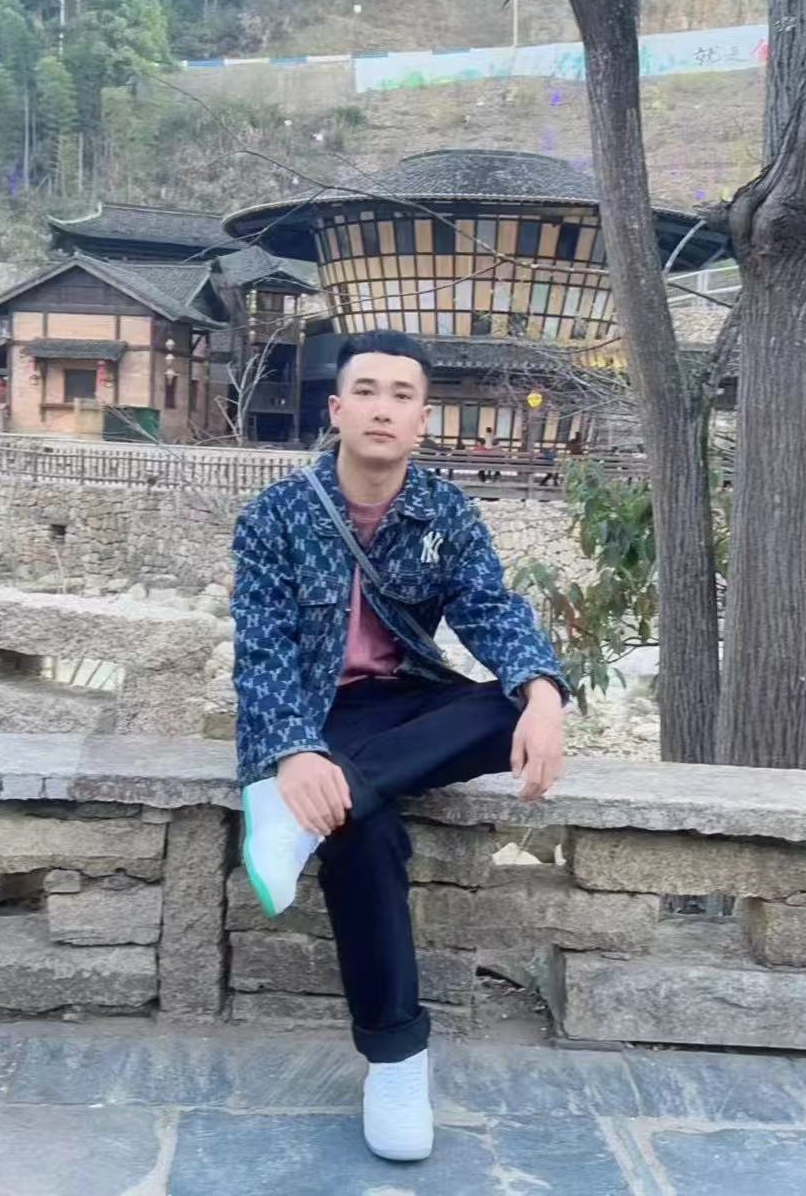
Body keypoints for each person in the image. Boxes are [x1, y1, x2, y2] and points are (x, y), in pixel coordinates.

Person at [233, 330, 566, 1164]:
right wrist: (294, 752)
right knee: (361, 829)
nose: (383, 408)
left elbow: (488, 607)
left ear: (421, 420)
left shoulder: (442, 512)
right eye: (367, 391)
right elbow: (262, 650)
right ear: (337, 410)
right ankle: (396, 1060)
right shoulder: (275, 515)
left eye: (402, 394)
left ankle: (317, 802)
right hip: (320, 711)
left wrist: (543, 691)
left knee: (508, 707)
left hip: (408, 702)